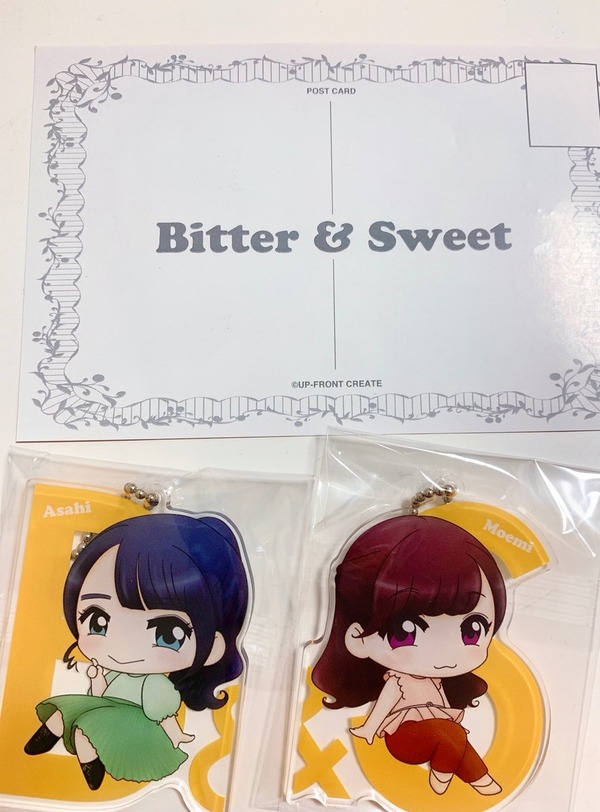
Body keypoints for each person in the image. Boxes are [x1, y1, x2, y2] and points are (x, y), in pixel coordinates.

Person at [24, 512, 249, 790]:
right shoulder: (115, 672)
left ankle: (93, 769)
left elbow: (163, 713)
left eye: (168, 634)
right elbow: (99, 695)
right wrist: (97, 678)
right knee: (64, 710)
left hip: (136, 724)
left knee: (85, 729)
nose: (123, 646)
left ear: (213, 646)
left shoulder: (155, 684)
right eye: (98, 620)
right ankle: (44, 740)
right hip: (108, 709)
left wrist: (176, 736)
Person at [312, 514, 506, 796]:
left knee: (455, 737)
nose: (443, 654)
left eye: (472, 630)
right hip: (405, 738)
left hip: (436, 733)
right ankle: (443, 772)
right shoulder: (397, 680)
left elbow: (441, 708)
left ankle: (481, 780)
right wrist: (369, 728)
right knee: (451, 735)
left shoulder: (438, 682)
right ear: (357, 637)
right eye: (405, 633)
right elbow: (384, 705)